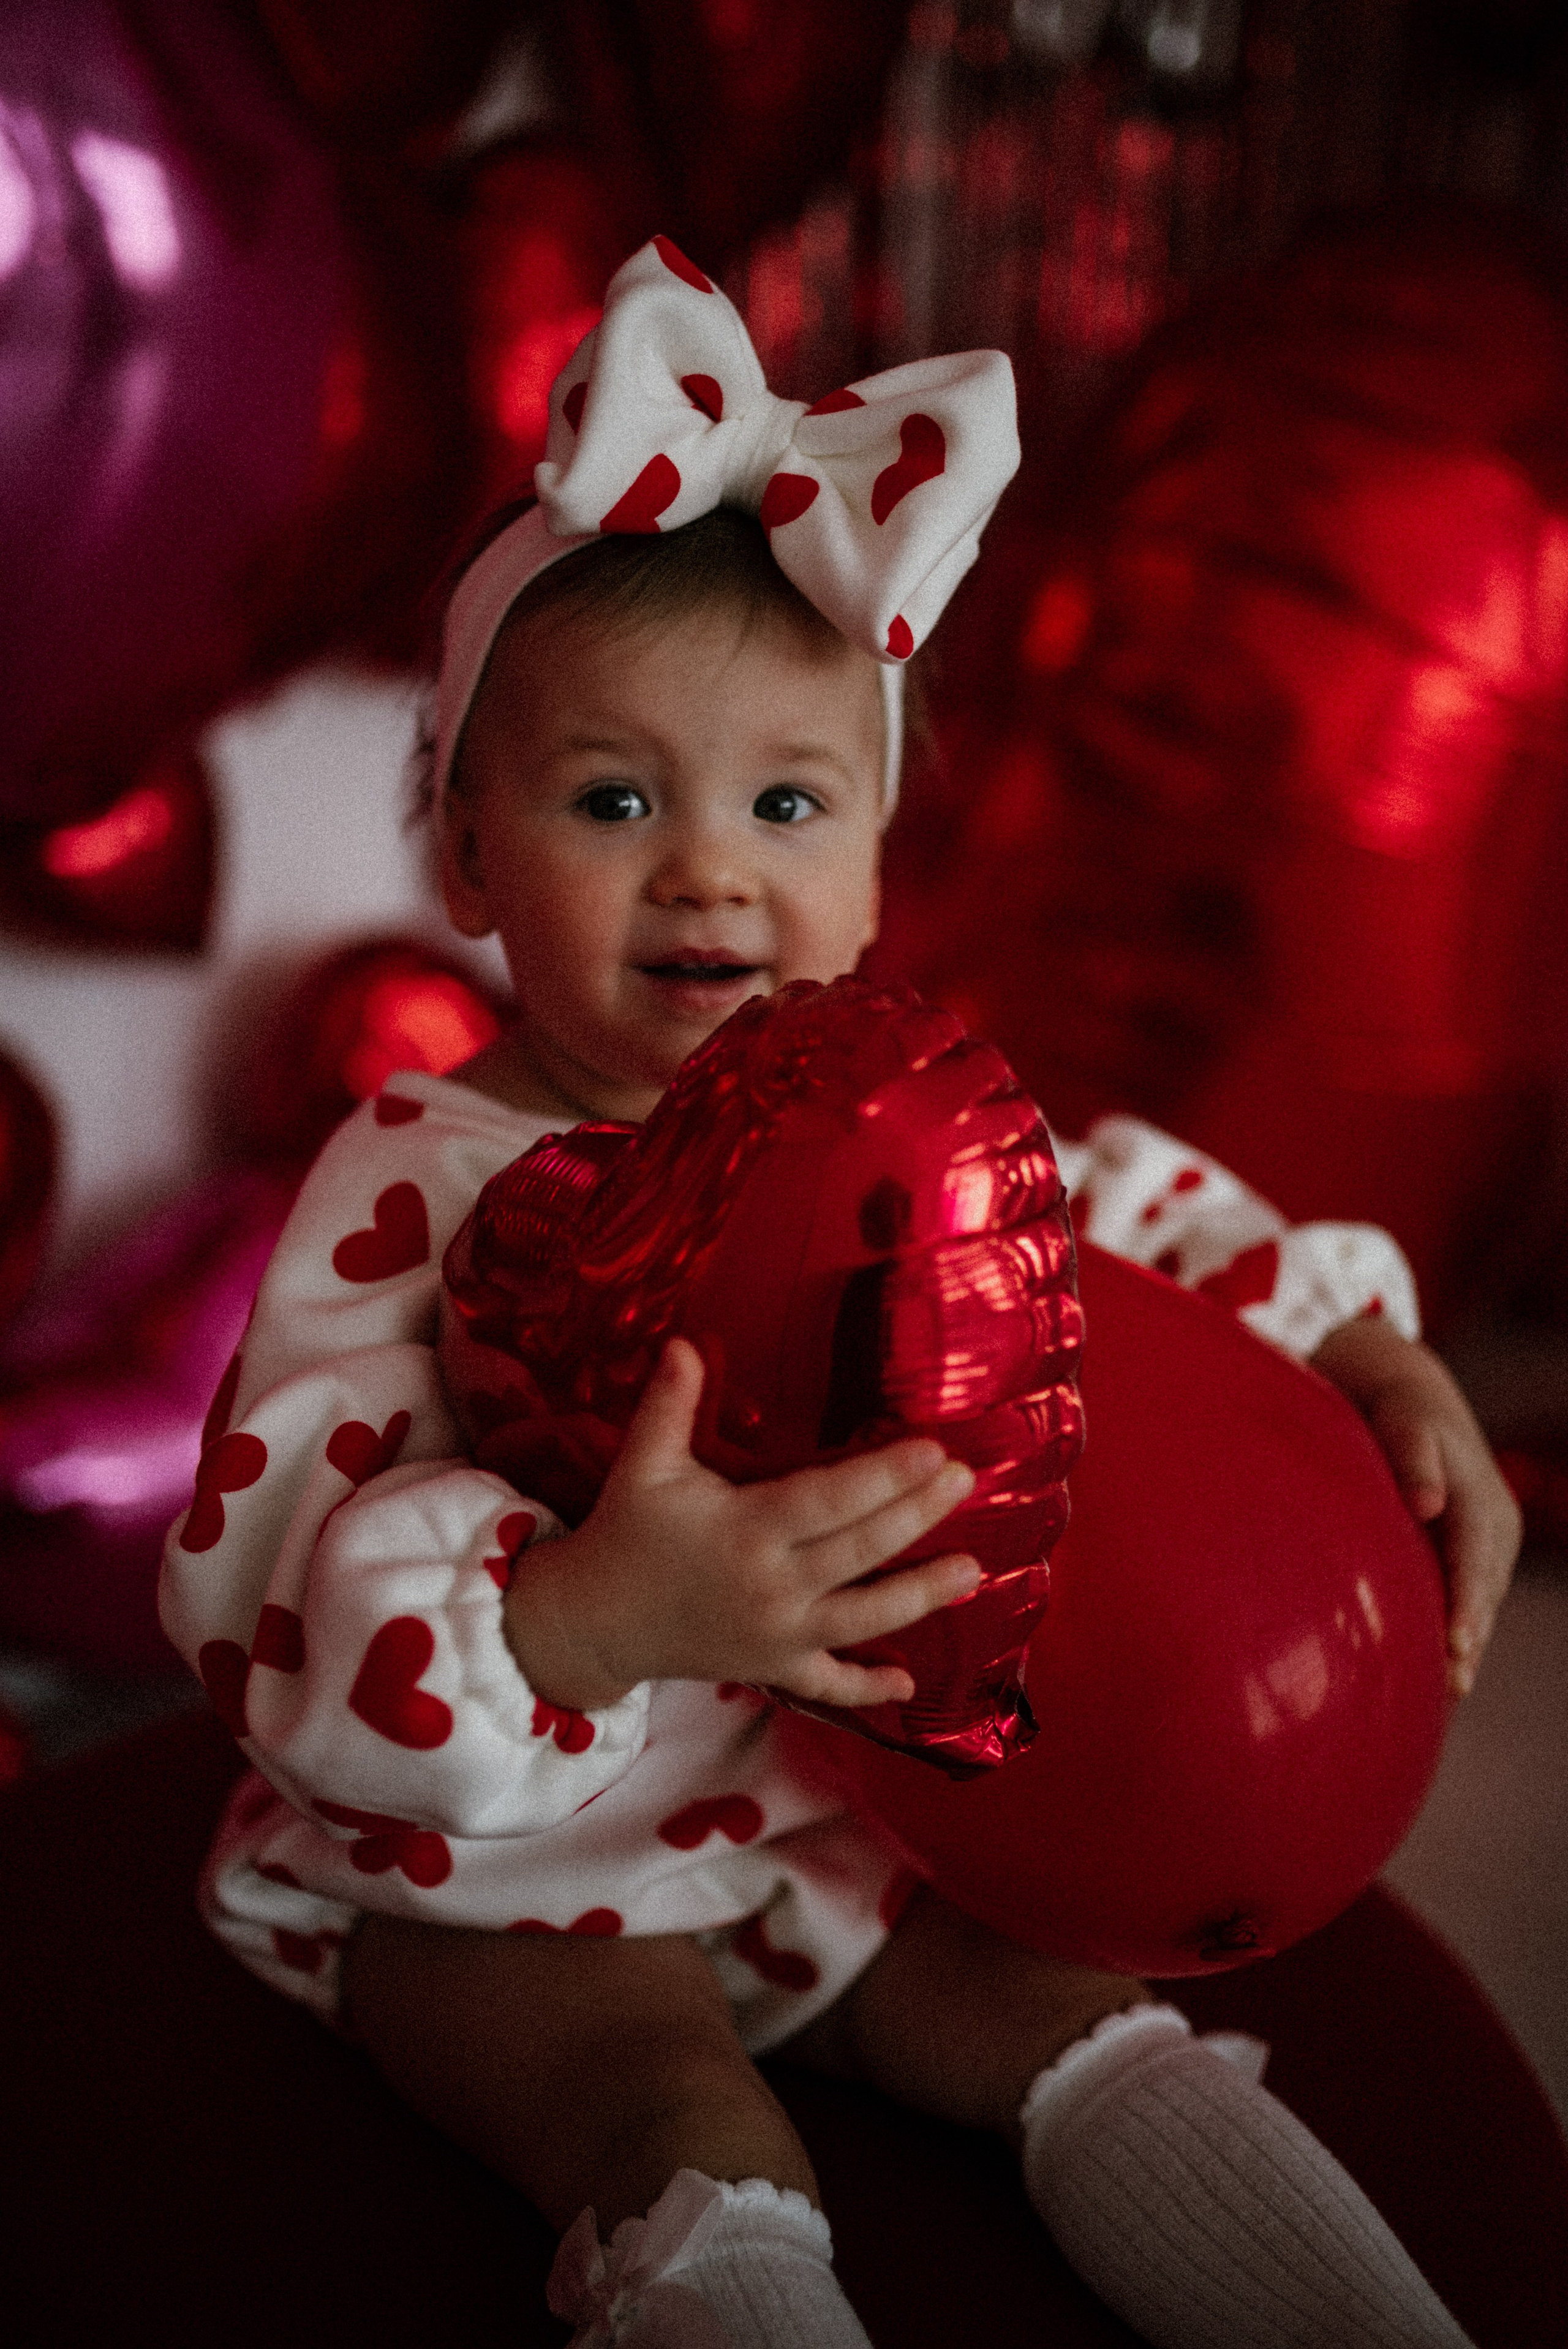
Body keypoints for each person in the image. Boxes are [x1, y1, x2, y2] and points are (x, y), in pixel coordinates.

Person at [160, 238, 1520, 2348]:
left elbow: (1127, 1221)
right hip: (510, 1871)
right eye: (615, 799)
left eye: (788, 801)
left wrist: (1358, 1346)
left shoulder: (899, 1113)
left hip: (839, 1822)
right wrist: (597, 1612)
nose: (711, 867)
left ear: (879, 857)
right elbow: (267, 1595)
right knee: (680, 2114)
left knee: (1093, 2026)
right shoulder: (411, 1190)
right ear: (463, 850)